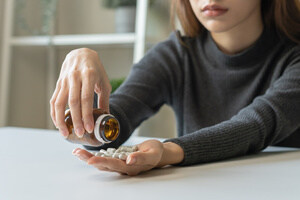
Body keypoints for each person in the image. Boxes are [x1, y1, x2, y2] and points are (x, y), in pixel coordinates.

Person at [50, 0, 300, 176]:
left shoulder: (294, 58)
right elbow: (119, 116)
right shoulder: (176, 55)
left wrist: (167, 151)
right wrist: (88, 121)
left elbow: (255, 126)